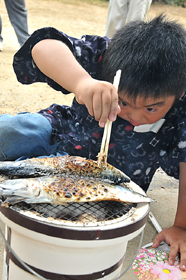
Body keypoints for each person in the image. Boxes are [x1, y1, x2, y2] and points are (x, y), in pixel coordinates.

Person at [1, 14, 186, 270]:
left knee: (34, 192)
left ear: (181, 92)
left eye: (151, 109)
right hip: (63, 131)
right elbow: (42, 46)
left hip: (112, 177)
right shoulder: (108, 56)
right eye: (122, 102)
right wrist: (82, 82)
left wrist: (181, 226)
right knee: (10, 131)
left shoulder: (182, 108)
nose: (132, 116)